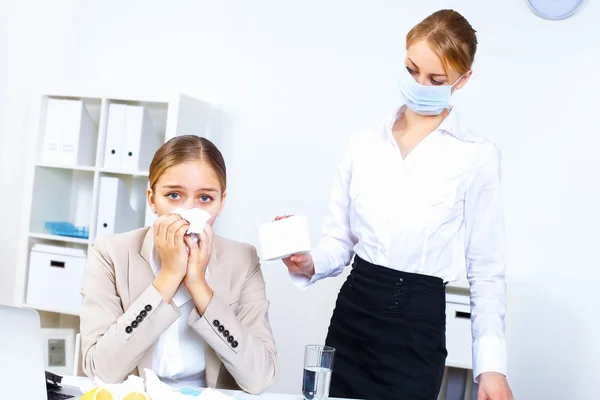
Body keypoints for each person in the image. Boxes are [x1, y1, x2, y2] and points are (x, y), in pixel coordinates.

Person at [277, 9, 514, 400]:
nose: (420, 85)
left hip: (417, 324)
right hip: (354, 313)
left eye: (436, 80)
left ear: (462, 79)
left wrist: (491, 367)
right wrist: (309, 262)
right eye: (412, 69)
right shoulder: (363, 144)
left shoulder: (477, 156)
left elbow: (486, 272)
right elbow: (340, 241)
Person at [80, 135, 276, 395]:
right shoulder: (110, 254)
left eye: (205, 198)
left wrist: (198, 285)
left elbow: (260, 378)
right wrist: (168, 278)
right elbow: (101, 370)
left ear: (222, 202)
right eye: (173, 195)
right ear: (152, 198)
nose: (188, 212)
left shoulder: (243, 260)